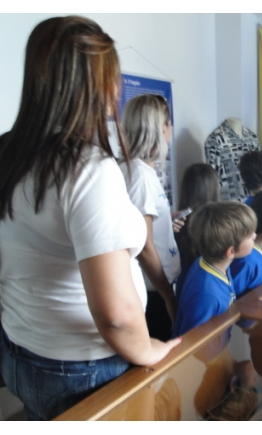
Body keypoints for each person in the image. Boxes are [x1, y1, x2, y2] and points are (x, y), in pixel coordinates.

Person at [0, 16, 180, 421]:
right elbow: (116, 316)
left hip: (20, 352)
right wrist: (150, 349)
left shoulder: (7, 152)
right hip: (83, 371)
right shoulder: (86, 169)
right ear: (99, 85)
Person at [119, 94, 180, 341]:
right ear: (161, 128)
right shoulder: (139, 176)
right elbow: (144, 247)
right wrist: (168, 297)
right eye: (169, 123)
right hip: (153, 291)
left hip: (156, 287)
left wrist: (166, 219)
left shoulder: (141, 170)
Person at [172, 202, 257, 337]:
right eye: (249, 235)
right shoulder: (207, 295)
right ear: (230, 252)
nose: (254, 236)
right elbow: (194, 342)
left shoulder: (211, 262)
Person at [175, 163, 220, 296]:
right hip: (213, 288)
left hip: (185, 288)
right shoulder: (219, 223)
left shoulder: (176, 223)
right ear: (214, 187)